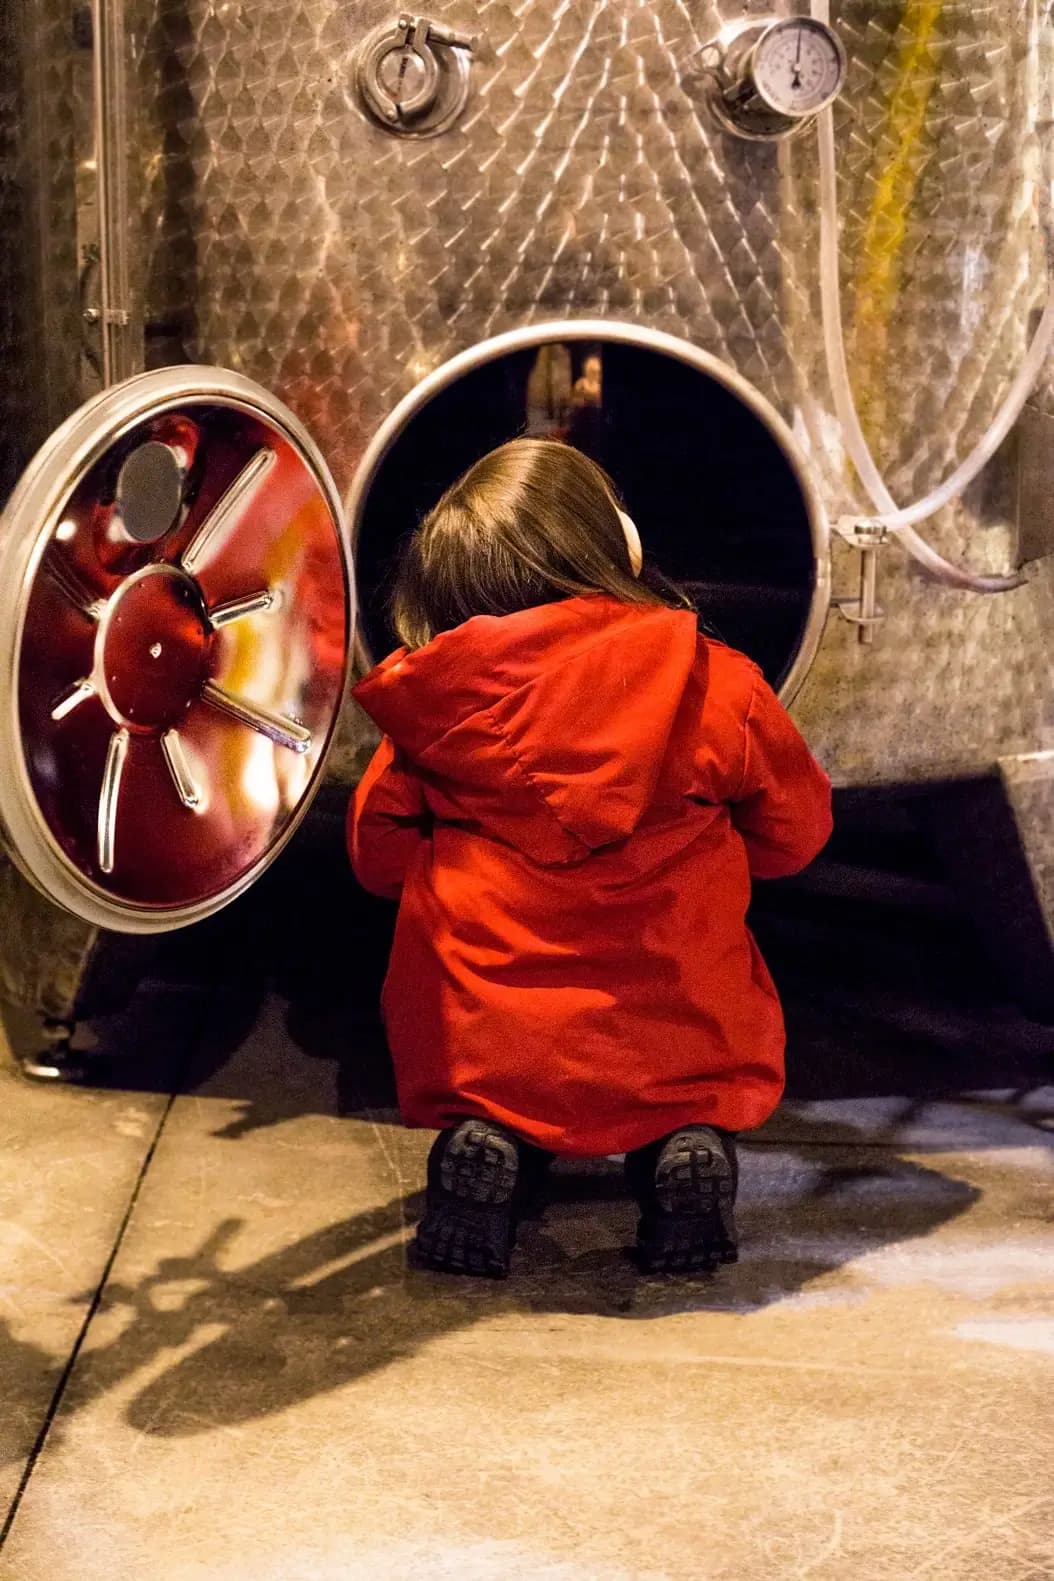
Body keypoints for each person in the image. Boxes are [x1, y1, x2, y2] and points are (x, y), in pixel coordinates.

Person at [347, 439, 832, 1278]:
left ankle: (494, 1140)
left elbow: (375, 858)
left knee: (493, 1070)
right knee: (683, 1072)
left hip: (485, 1043)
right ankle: (680, 1145)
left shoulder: (435, 714)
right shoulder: (720, 687)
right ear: (621, 545)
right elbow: (799, 834)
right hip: (676, 1037)